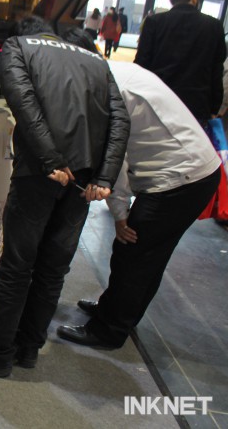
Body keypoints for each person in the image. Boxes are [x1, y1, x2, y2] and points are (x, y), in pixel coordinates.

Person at [0, 16, 130, 378]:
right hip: (84, 182)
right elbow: (120, 118)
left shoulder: (18, 47)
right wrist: (105, 177)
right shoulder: (94, 58)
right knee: (52, 270)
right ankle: (29, 348)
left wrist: (50, 159)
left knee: (17, 266)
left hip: (40, 173)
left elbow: (23, 102)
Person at [56, 30, 221, 349]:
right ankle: (119, 314)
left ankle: (108, 330)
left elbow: (115, 159)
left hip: (179, 179)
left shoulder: (107, 89)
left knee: (132, 252)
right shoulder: (120, 71)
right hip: (196, 171)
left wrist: (120, 214)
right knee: (150, 255)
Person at [134, 0, 227, 125]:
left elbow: (141, 63)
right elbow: (216, 70)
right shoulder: (214, 26)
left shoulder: (154, 22)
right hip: (197, 105)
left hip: (158, 100)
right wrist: (215, 106)